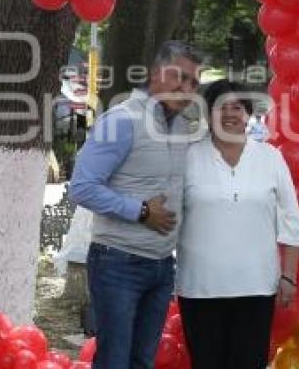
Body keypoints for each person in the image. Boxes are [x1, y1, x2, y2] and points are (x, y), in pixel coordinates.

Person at [70, 41, 203, 369]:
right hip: (117, 263)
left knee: (143, 362)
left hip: (161, 266)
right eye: (179, 78)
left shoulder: (184, 126)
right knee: (115, 361)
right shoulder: (122, 119)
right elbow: (82, 188)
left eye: (194, 83)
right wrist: (140, 211)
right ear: (157, 74)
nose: (186, 89)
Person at [176, 80, 299, 369]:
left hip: (256, 286)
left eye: (238, 107)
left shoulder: (270, 157)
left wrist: (289, 276)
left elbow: (290, 219)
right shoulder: (187, 157)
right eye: (222, 107)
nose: (230, 113)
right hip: (200, 286)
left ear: (248, 114)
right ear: (208, 113)